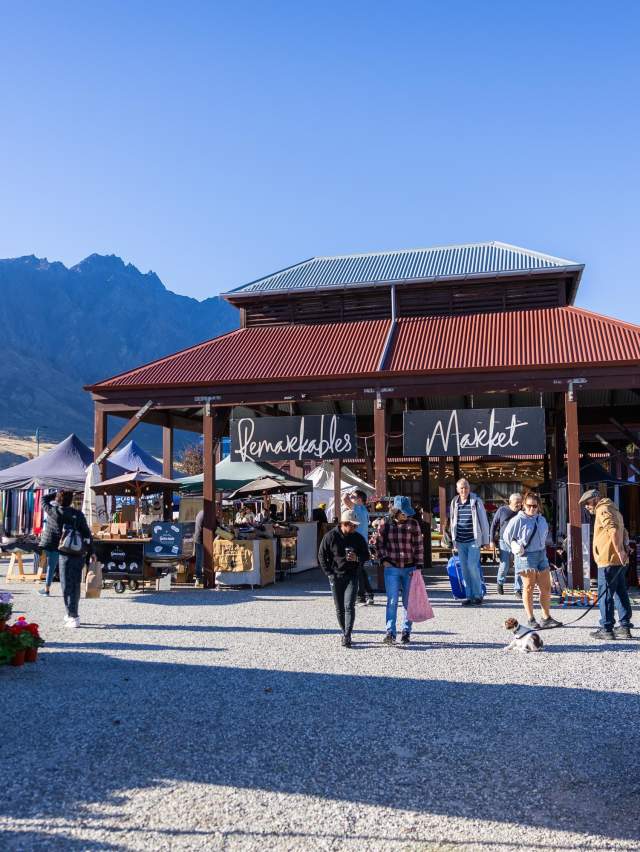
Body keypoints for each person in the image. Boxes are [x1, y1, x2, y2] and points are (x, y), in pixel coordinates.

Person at [579, 489, 633, 640]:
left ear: (596, 499)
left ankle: (607, 628)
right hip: (619, 561)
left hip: (608, 560)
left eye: (587, 503)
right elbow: (624, 531)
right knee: (621, 593)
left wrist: (621, 550)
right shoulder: (613, 508)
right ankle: (624, 627)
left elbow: (613, 530)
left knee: (606, 595)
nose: (586, 507)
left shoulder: (602, 509)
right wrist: (625, 547)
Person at [503, 492, 562, 630]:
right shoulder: (517, 520)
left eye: (534, 506)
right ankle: (530, 619)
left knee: (546, 588)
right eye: (529, 506)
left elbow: (544, 536)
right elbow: (506, 536)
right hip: (526, 556)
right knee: (528, 587)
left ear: (538, 506)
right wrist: (515, 546)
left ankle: (546, 618)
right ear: (523, 505)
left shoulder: (541, 520)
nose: (532, 509)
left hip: (541, 554)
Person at [373, 495, 424, 645]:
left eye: (407, 512)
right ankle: (390, 632)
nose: (406, 515)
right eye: (403, 512)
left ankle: (406, 631)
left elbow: (419, 545)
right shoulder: (385, 524)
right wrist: (384, 560)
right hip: (392, 568)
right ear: (395, 511)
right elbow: (377, 543)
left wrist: (419, 566)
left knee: (408, 602)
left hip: (410, 568)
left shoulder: (413, 524)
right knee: (392, 601)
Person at [318, 509, 370, 648]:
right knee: (339, 607)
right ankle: (343, 631)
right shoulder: (330, 536)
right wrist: (329, 573)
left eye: (356, 525)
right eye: (353, 525)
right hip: (335, 576)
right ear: (344, 523)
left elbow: (367, 555)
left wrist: (357, 558)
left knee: (349, 606)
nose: (355, 528)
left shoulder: (358, 538)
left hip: (352, 575)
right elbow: (321, 555)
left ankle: (347, 634)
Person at [42, 491, 92, 628]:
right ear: (71, 501)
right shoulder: (78, 514)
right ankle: (72, 612)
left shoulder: (53, 512)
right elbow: (87, 534)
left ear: (58, 500)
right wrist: (90, 552)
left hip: (64, 553)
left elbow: (43, 499)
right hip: (78, 553)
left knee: (66, 585)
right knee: (75, 584)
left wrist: (56, 493)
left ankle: (73, 616)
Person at [450, 479, 490, 606]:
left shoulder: (476, 501)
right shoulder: (454, 502)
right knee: (465, 569)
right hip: (460, 541)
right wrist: (453, 540)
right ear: (457, 490)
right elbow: (452, 521)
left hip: (473, 540)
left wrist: (486, 540)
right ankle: (469, 595)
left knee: (472, 566)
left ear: (469, 488)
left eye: (466, 487)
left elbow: (483, 521)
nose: (464, 490)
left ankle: (478, 595)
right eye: (461, 488)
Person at [344, 489, 374, 606]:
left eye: (354, 497)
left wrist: (348, 493)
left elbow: (344, 499)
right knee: (360, 570)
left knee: (358, 570)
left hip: (358, 544)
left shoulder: (359, 509)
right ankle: (366, 594)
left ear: (359, 499)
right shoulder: (364, 510)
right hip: (362, 543)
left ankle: (362, 595)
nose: (351, 498)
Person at [490, 493, 523, 596]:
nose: (518, 504)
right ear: (510, 502)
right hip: (503, 541)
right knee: (505, 565)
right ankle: (500, 583)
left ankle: (517, 589)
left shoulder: (522, 513)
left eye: (520, 502)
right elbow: (494, 525)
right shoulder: (502, 510)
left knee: (519, 565)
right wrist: (491, 540)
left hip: (518, 542)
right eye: (516, 502)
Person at [38, 491, 61, 597]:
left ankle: (46, 590)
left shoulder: (50, 510)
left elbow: (43, 499)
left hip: (47, 542)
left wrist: (55, 493)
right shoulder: (67, 513)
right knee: (52, 566)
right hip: (58, 543)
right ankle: (48, 589)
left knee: (47, 565)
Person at [193, 509, 204, 587]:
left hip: (198, 538)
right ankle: (198, 578)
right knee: (200, 558)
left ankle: (198, 578)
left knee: (199, 558)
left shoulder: (200, 512)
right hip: (201, 539)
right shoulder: (205, 514)